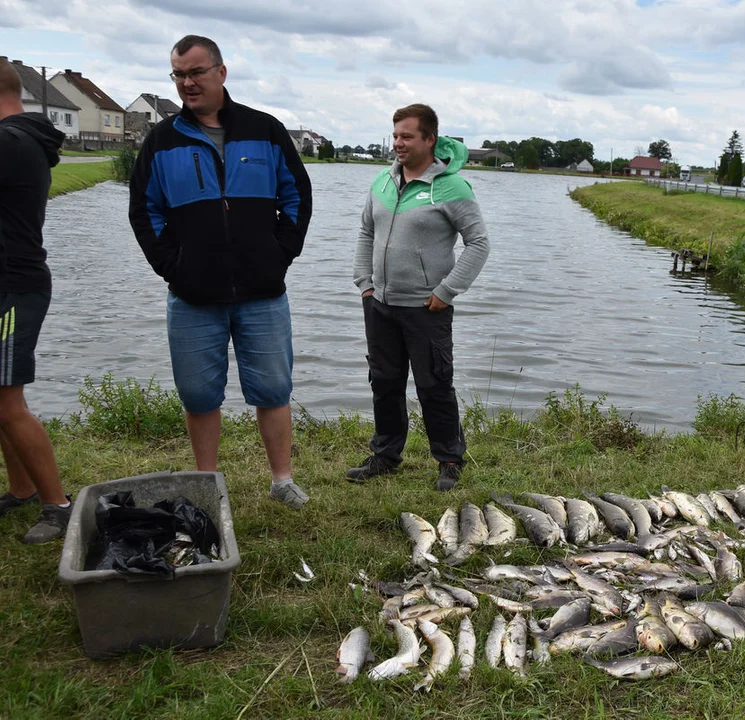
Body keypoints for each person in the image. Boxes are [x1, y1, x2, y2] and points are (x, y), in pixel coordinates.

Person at [129, 36, 313, 508]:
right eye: (178, 74)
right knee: (198, 395)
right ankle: (205, 485)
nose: (187, 82)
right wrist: (174, 267)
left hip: (262, 293)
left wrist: (280, 253)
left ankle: (282, 481)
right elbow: (145, 213)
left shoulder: (265, 130)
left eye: (195, 72)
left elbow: (296, 197)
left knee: (273, 388)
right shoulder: (162, 139)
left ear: (221, 72)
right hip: (193, 297)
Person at [349, 104, 489, 491]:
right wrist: (364, 282)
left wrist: (446, 291)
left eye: (407, 136)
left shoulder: (451, 187)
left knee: (434, 386)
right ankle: (385, 454)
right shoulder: (382, 181)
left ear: (430, 139)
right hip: (380, 304)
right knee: (384, 382)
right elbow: (365, 232)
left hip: (427, 308)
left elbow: (478, 243)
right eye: (395, 135)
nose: (398, 143)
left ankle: (448, 459)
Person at [0, 58, 72, 543]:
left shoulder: (9, 142)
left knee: (8, 402)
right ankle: (22, 489)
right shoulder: (21, 140)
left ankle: (58, 506)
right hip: (11, 282)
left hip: (13, 288)